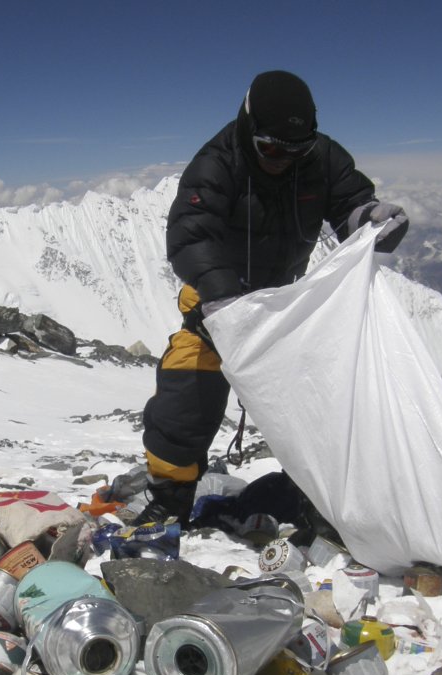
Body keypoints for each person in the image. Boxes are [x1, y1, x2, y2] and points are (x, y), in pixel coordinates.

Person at [135, 69, 409, 526]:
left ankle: (321, 502)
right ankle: (170, 500)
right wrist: (223, 300)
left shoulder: (322, 159)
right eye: (271, 148)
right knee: (183, 404)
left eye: (295, 149)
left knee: (323, 407)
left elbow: (349, 204)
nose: (282, 158)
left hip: (286, 311)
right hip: (214, 312)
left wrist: (370, 219)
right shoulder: (217, 163)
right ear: (248, 128)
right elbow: (189, 236)